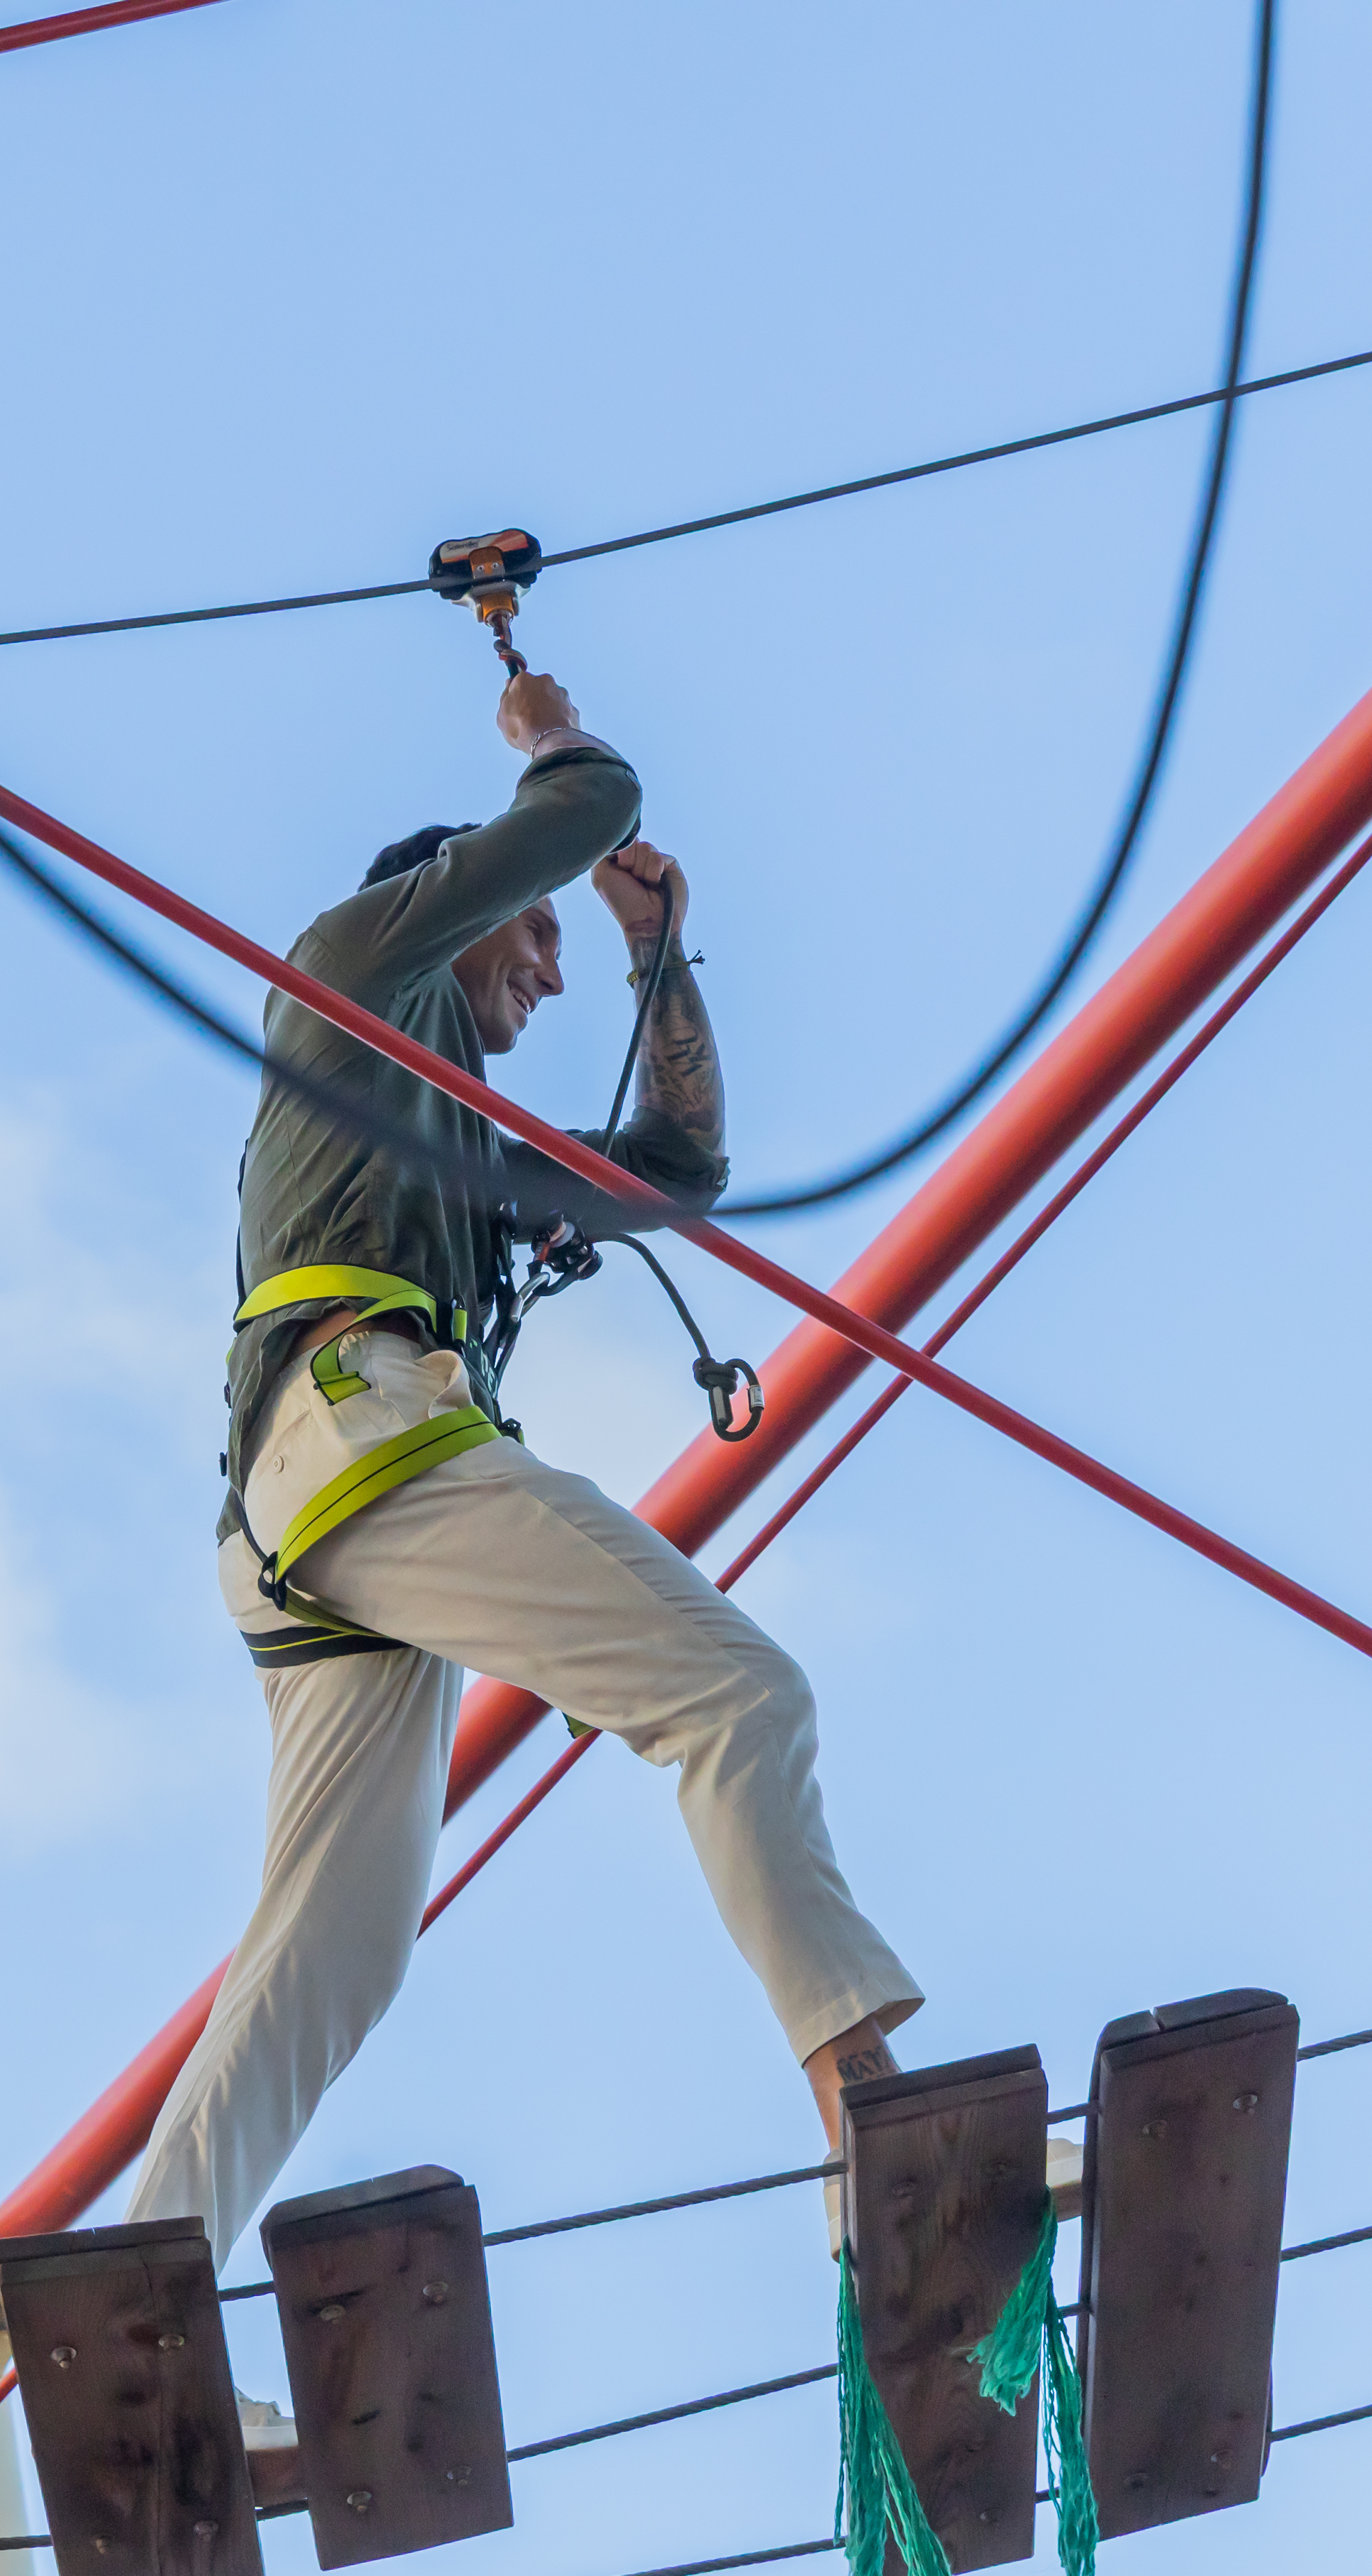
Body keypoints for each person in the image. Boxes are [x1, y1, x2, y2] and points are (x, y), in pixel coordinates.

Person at [126, 668, 923, 2263]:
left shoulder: (462, 1157)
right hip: (359, 1430)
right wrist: (550, 746)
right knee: (736, 1695)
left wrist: (655, 952)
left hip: (317, 1491)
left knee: (332, 1953)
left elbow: (682, 1171)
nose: (553, 978)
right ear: (450, 905)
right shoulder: (353, 971)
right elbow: (589, 807)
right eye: (539, 933)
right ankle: (876, 2126)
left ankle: (143, 2288)